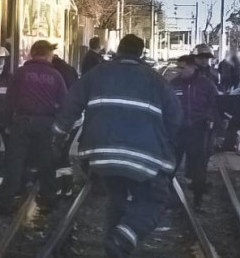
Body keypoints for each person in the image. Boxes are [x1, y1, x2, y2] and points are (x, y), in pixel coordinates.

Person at [53, 34, 182, 258]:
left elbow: (71, 102)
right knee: (155, 199)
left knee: (117, 197)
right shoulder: (155, 80)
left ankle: (113, 246)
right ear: (141, 53)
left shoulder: (97, 74)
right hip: (142, 153)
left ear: (119, 50)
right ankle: (123, 238)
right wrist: (165, 143)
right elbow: (175, 117)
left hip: (100, 154)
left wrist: (59, 133)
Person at [0, 40, 68, 213]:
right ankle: (50, 198)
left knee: (15, 162)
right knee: (46, 162)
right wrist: (61, 128)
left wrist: (7, 124)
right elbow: (64, 104)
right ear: (47, 55)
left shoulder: (20, 73)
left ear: (32, 53)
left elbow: (10, 101)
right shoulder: (56, 76)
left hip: (22, 122)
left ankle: (5, 202)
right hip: (46, 124)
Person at [170, 55, 219, 210]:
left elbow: (215, 106)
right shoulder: (173, 84)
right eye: (178, 67)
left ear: (193, 67)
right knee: (170, 165)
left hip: (198, 131)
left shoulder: (207, 85)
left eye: (183, 67)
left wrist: (211, 120)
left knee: (198, 167)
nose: (180, 70)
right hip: (177, 131)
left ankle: (198, 200)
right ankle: (169, 198)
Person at [51, 54, 80, 197]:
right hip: (75, 119)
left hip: (63, 119)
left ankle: (56, 188)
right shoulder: (70, 70)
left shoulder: (55, 74)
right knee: (64, 153)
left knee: (56, 152)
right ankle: (67, 188)